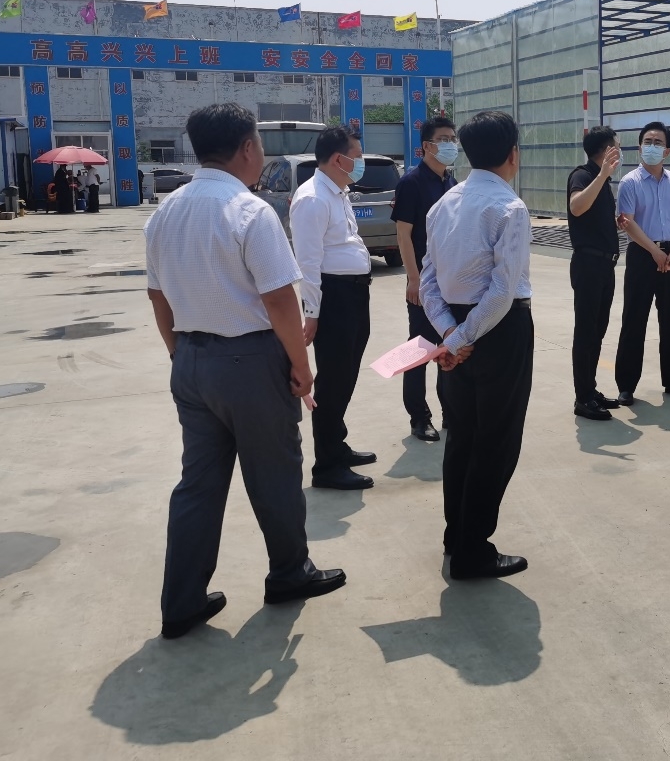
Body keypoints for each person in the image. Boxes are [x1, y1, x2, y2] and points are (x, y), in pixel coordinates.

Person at [144, 102, 344, 641]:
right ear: (248, 148)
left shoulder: (166, 211)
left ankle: (181, 601)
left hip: (191, 361)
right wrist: (301, 368)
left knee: (197, 485)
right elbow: (280, 300)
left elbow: (158, 296)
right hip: (249, 363)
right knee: (274, 473)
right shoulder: (249, 211)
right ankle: (289, 572)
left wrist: (181, 355)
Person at [420, 110, 533, 580]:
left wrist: (450, 334)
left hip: (454, 329)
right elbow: (503, 291)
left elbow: (427, 281)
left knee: (463, 436)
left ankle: (457, 535)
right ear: (513, 154)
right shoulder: (510, 208)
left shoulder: (442, 205)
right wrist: (463, 337)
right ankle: (474, 549)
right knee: (496, 441)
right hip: (498, 330)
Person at [290, 125, 377, 491]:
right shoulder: (312, 198)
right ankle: (326, 466)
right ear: (338, 159)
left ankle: (337, 445)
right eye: (357, 156)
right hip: (334, 298)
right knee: (333, 381)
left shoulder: (337, 192)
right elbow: (308, 262)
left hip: (353, 294)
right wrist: (312, 312)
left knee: (345, 376)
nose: (361, 163)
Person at [613, 121, 670, 404]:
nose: (652, 146)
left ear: (667, 151)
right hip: (642, 255)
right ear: (639, 148)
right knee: (634, 319)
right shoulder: (630, 182)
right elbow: (628, 222)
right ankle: (626, 385)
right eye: (647, 142)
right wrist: (654, 251)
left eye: (658, 142)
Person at [391, 115, 459, 442]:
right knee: (419, 349)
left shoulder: (452, 183)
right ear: (426, 147)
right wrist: (413, 279)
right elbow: (403, 235)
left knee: (449, 345)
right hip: (425, 283)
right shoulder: (411, 183)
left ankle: (451, 412)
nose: (450, 145)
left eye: (453, 139)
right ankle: (419, 418)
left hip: (450, 283)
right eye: (443, 139)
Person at [567, 126, 623, 421]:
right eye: (616, 146)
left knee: (597, 331)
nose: (620, 151)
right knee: (586, 332)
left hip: (605, 266)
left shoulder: (602, 181)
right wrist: (602, 175)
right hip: (588, 265)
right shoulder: (583, 175)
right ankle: (583, 398)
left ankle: (590, 389)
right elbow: (576, 207)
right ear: (606, 149)